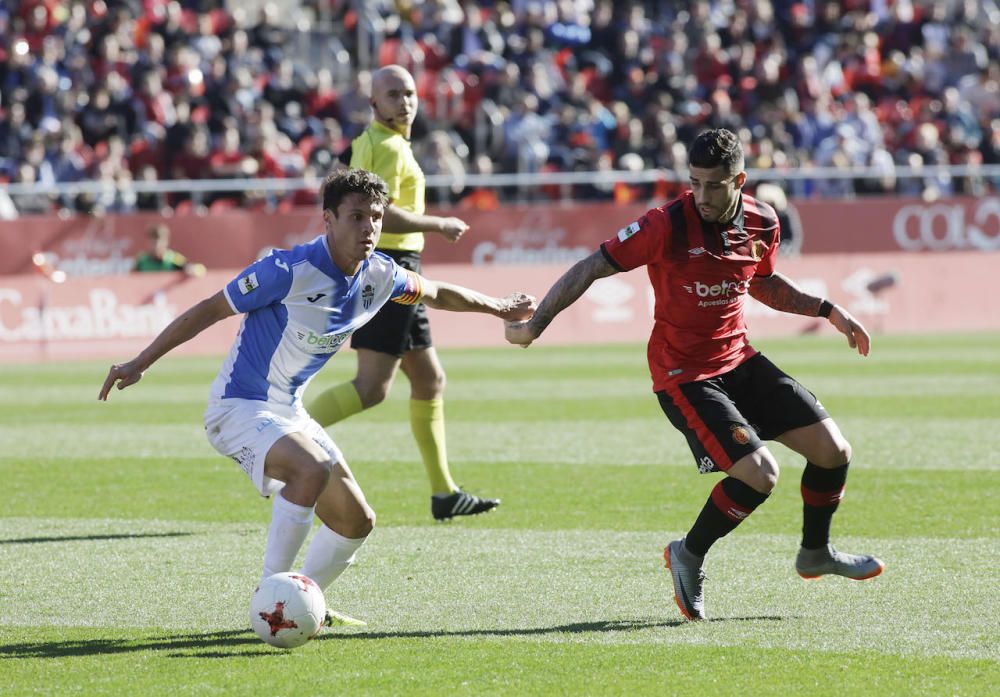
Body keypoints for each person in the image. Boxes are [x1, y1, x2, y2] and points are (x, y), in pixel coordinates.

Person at [100, 169, 535, 625]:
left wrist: (497, 307)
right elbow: (210, 308)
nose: (369, 228)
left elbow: (438, 292)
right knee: (312, 468)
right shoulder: (286, 270)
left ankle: (305, 602)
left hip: (289, 411)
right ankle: (271, 598)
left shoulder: (380, 275)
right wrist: (141, 361)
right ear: (328, 219)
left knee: (357, 521)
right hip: (238, 407)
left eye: (377, 218)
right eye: (356, 217)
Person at [505, 129, 884, 621]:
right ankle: (689, 553)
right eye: (695, 183)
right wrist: (535, 325)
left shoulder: (763, 221)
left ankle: (815, 553)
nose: (702, 196)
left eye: (714, 185)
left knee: (834, 452)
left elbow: (762, 282)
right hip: (684, 373)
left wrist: (828, 310)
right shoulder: (665, 225)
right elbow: (591, 267)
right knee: (760, 474)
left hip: (739, 358)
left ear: (740, 181)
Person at [307, 65, 491, 522]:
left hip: (397, 266)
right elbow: (378, 211)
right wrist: (440, 223)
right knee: (371, 388)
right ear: (374, 104)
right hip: (391, 268)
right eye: (393, 94)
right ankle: (284, 439)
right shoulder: (386, 146)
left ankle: (444, 493)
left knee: (428, 380)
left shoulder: (382, 143)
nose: (404, 101)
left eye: (409, 93)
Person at [133, 223, 206, 276]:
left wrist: (193, 269)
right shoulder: (142, 261)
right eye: (153, 243)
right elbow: (131, 277)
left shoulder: (173, 258)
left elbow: (199, 269)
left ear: (166, 242)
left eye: (158, 242)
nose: (156, 247)